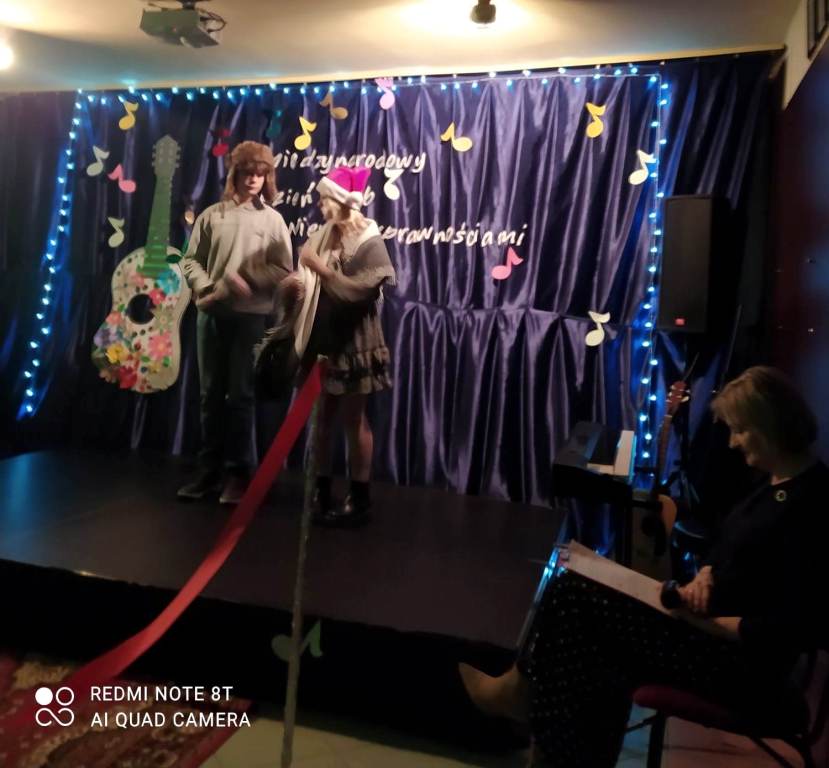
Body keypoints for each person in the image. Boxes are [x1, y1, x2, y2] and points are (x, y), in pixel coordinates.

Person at [459, 366, 829, 767]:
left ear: (771, 424)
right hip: (706, 631)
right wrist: (707, 574)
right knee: (578, 600)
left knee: (577, 603)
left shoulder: (811, 504)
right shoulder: (773, 482)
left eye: (741, 430)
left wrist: (703, 621)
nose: (733, 442)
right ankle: (553, 738)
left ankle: (533, 713)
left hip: (739, 666)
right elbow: (733, 548)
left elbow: (789, 628)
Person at [277, 165, 395, 527]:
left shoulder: (369, 240)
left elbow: (360, 293)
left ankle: (359, 496)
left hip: (354, 340)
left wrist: (321, 269)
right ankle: (320, 488)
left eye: (324, 199)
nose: (319, 205)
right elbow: (307, 282)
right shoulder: (322, 234)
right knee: (322, 419)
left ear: (341, 201)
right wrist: (295, 285)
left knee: (353, 419)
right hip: (323, 338)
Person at [178, 141, 293, 505]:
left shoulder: (272, 220)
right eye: (248, 172)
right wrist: (208, 287)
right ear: (235, 173)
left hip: (250, 319)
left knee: (240, 396)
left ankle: (238, 473)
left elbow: (284, 269)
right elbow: (190, 261)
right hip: (211, 315)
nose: (254, 180)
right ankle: (208, 470)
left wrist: (249, 279)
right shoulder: (213, 215)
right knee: (209, 395)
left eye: (261, 174)